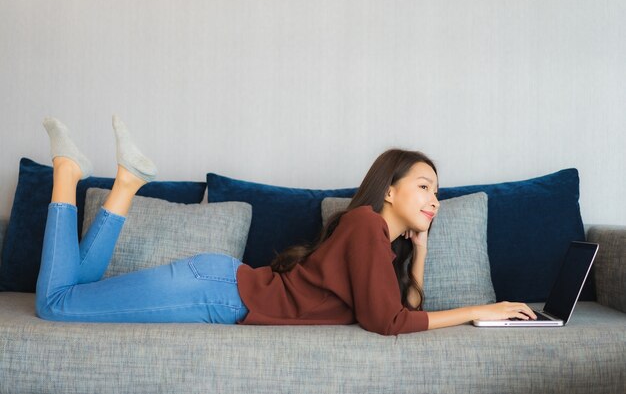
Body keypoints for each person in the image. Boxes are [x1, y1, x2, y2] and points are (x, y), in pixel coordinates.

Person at [35, 117, 537, 335]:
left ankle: (125, 186)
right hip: (218, 294)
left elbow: (403, 308)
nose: (435, 199)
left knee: (75, 292)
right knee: (56, 307)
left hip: (219, 287)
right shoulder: (364, 226)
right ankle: (66, 174)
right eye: (425, 186)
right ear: (390, 190)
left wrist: (420, 250)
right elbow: (389, 323)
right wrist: (482, 310)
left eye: (437, 191)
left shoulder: (377, 243)